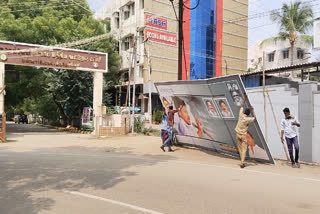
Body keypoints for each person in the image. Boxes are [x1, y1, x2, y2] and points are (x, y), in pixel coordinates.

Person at [235, 93, 256, 168]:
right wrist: (253, 110)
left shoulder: (241, 115)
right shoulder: (247, 119)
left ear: (244, 112)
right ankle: (242, 162)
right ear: (248, 114)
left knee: (240, 149)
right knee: (244, 149)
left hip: (237, 134)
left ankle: (242, 161)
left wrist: (244, 97)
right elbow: (254, 118)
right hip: (243, 135)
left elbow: (241, 106)